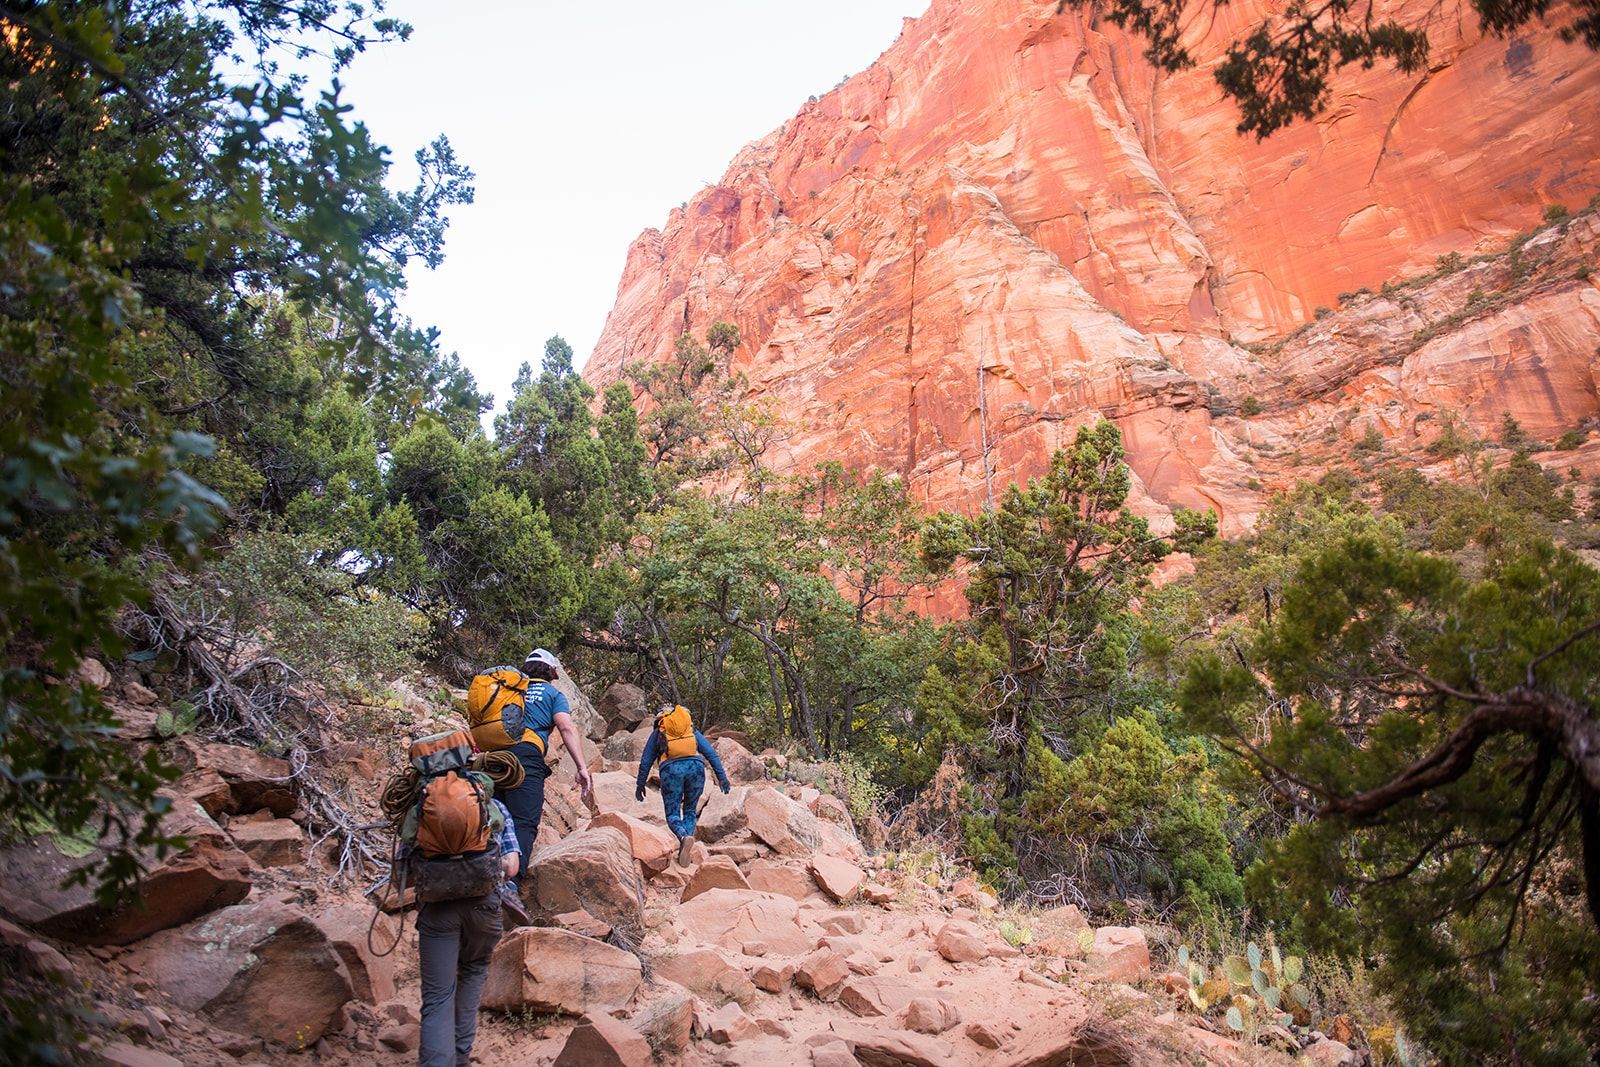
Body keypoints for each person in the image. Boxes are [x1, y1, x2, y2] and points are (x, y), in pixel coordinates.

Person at [415, 799, 518, 1067]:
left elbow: (400, 871)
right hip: (484, 907)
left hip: (438, 911)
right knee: (473, 971)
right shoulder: (491, 803)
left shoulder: (421, 804)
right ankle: (461, 1057)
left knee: (438, 996)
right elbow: (511, 867)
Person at [498, 648, 593, 880]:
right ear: (551, 672)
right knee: (524, 822)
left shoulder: (510, 689)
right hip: (526, 757)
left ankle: (481, 877)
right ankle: (511, 885)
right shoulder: (552, 694)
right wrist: (582, 767)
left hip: (494, 756)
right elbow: (566, 727)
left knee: (494, 817)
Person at [635, 703, 731, 865]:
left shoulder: (659, 732)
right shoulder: (690, 730)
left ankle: (683, 837)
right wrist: (722, 777)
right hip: (696, 769)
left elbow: (646, 761)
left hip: (671, 771)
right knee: (690, 811)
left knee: (673, 814)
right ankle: (686, 845)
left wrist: (640, 784)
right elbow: (710, 753)